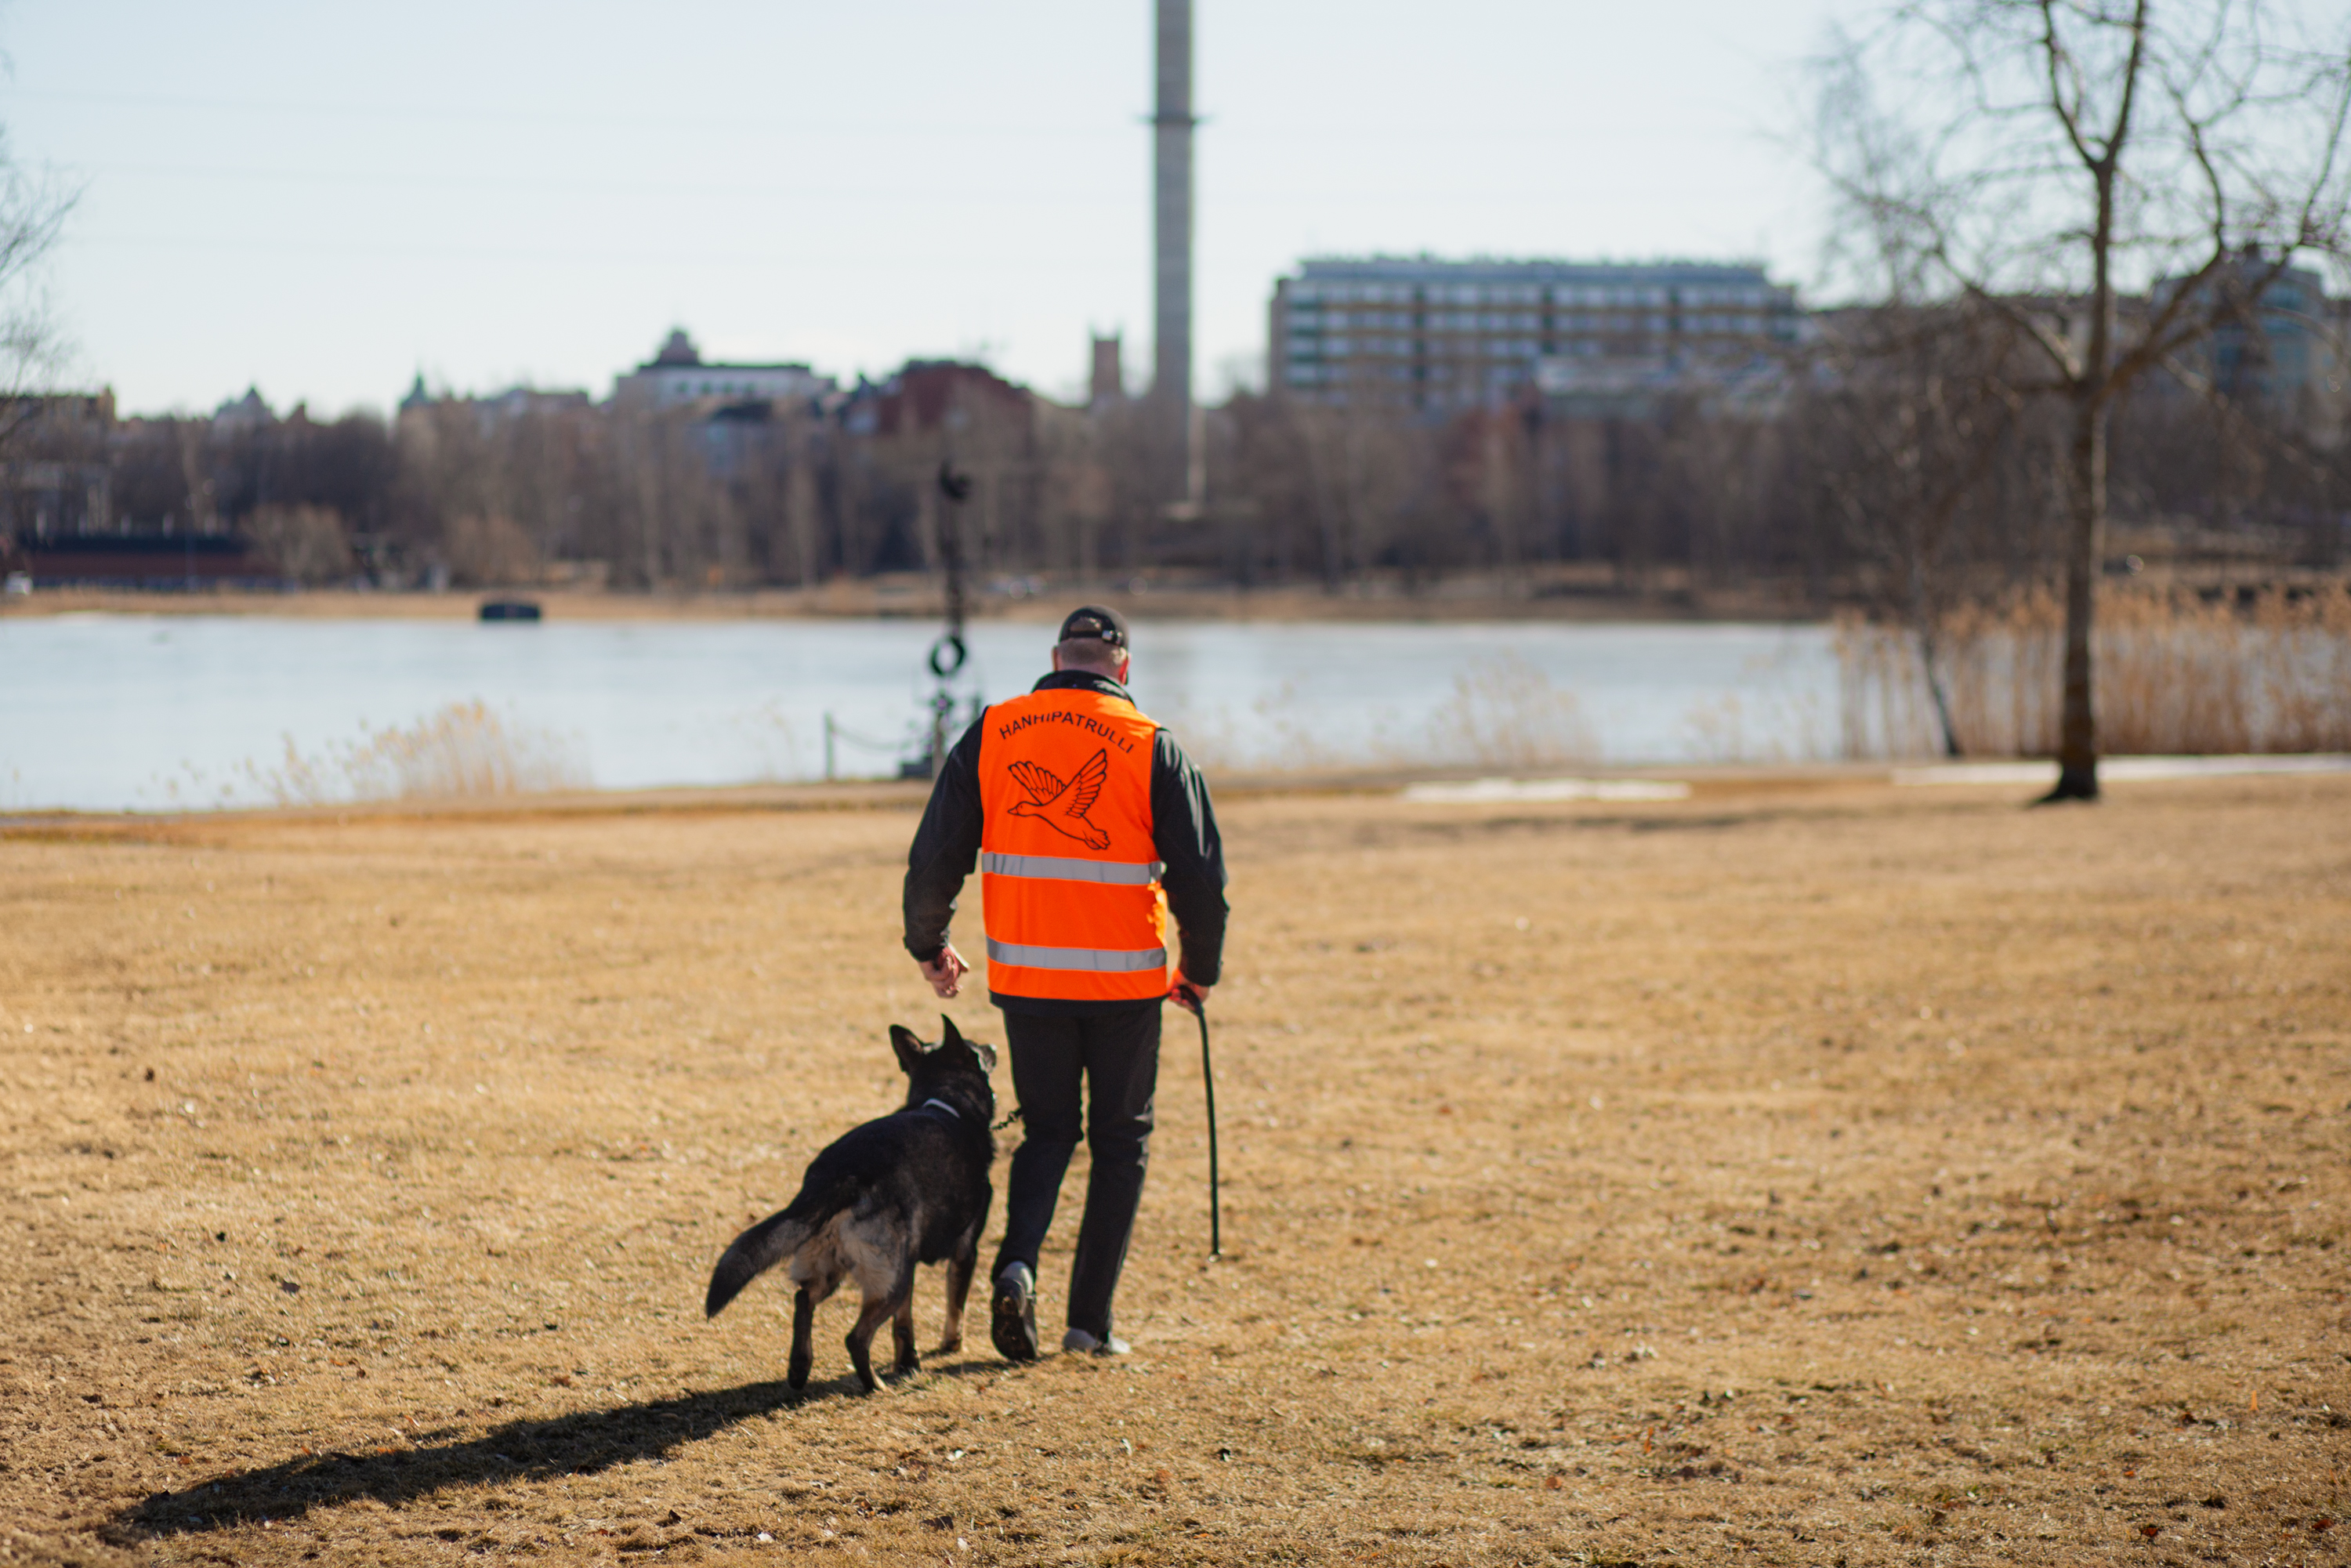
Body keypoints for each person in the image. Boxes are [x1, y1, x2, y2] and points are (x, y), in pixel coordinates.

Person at [902, 605, 1227, 1360]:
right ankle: (1089, 1325)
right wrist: (1199, 970)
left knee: (1049, 1131)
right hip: (1125, 987)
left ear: (1055, 660)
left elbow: (935, 854)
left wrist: (930, 943)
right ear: (1124, 668)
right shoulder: (1152, 745)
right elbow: (1201, 880)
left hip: (1030, 979)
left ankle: (1017, 1267)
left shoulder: (994, 731)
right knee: (1121, 1140)